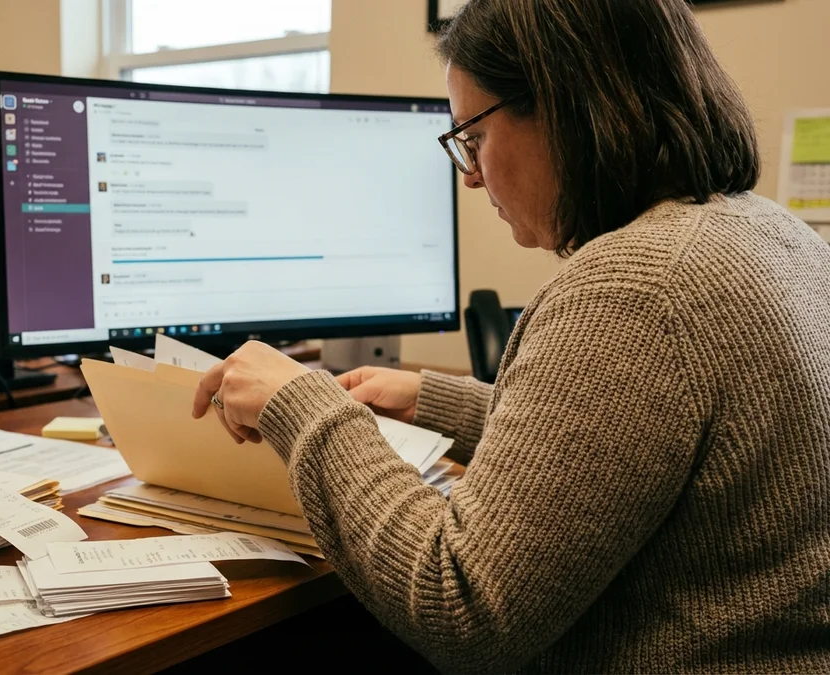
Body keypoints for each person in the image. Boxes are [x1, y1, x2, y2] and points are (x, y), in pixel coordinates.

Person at [190, 0, 830, 671]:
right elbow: (628, 451)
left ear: (564, 106)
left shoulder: (635, 287)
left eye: (472, 135)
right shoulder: (766, 231)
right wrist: (438, 404)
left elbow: (462, 602)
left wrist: (303, 405)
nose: (469, 174)